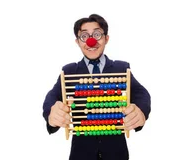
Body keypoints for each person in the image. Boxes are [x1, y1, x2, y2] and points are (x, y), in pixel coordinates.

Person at [42, 14, 151, 160]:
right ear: (77, 42)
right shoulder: (69, 71)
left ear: (106, 38)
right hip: (81, 152)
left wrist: (141, 111)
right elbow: (53, 96)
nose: (91, 41)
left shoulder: (121, 68)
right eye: (84, 36)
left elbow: (141, 93)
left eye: (97, 34)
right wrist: (51, 113)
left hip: (116, 152)